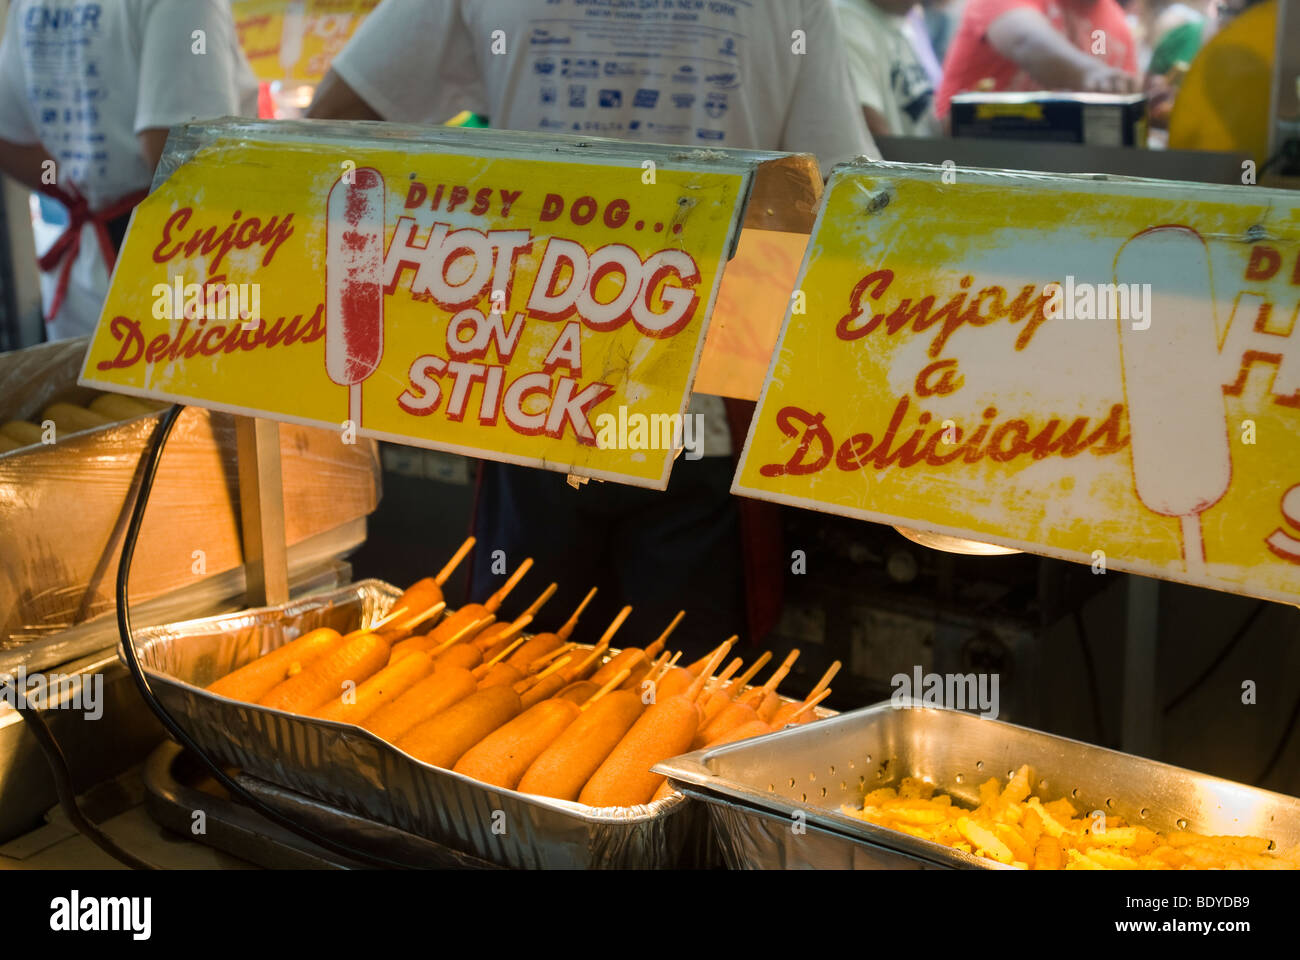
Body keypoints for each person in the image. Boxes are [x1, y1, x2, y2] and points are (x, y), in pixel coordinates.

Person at [309, 0, 877, 659]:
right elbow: (844, 190)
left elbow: (335, 121)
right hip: (698, 401)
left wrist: (461, 227)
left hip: (534, 390)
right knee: (679, 705)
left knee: (506, 678)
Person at [0, 0, 257, 341]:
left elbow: (8, 139)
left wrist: (77, 188)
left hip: (82, 286)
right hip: (171, 281)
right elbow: (176, 152)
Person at [935, 0, 1140, 118]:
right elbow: (1026, 42)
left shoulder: (1118, 23)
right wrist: (1095, 75)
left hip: (1063, 170)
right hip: (965, 159)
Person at [835, 0, 943, 137]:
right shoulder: (847, 19)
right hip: (901, 157)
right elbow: (871, 130)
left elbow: (926, 111)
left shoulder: (904, 18)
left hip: (930, 154)